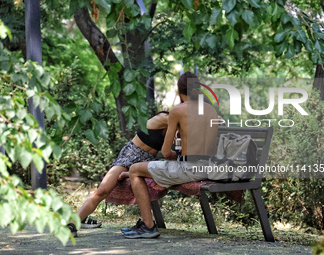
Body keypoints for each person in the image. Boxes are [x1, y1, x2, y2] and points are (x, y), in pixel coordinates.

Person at [122, 72, 219, 238]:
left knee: (134, 170)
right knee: (143, 170)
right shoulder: (210, 109)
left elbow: (166, 152)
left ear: (179, 90)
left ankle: (148, 226)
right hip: (207, 167)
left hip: (189, 169)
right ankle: (147, 225)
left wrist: (173, 153)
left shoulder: (177, 111)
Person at [68, 111, 169, 237]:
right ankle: (73, 224)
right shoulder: (163, 118)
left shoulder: (173, 127)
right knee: (103, 190)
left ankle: (148, 226)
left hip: (144, 163)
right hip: (130, 157)